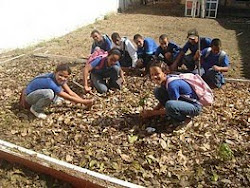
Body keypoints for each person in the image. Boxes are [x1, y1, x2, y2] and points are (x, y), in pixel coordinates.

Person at [24, 64, 94, 119]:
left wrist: (83, 101)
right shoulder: (49, 81)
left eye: (65, 77)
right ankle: (36, 109)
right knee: (49, 93)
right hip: (29, 97)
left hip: (38, 94)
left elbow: (70, 93)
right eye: (60, 75)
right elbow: (68, 97)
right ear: (55, 73)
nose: (63, 78)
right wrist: (85, 102)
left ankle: (52, 100)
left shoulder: (60, 79)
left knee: (57, 91)